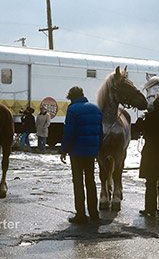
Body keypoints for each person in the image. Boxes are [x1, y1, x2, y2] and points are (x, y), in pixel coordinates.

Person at [60, 86, 103, 224]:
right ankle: (94, 213)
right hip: (91, 153)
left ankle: (81, 215)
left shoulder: (72, 110)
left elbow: (68, 133)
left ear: (71, 97)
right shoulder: (96, 109)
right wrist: (98, 149)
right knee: (90, 182)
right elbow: (100, 133)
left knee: (78, 183)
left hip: (77, 153)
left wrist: (64, 150)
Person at [135, 93, 159, 217]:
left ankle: (150, 209)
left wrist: (141, 118)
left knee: (150, 183)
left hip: (150, 153)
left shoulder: (150, 117)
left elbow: (138, 128)